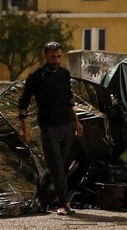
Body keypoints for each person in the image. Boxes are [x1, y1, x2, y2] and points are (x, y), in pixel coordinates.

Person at [18, 41, 84, 215]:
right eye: (53, 56)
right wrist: (24, 129)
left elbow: (69, 99)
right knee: (56, 167)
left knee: (61, 166)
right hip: (49, 128)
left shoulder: (64, 74)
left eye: (59, 56)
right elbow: (23, 101)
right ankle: (64, 204)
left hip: (67, 127)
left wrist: (76, 121)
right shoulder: (36, 76)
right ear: (46, 55)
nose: (57, 60)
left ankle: (43, 195)